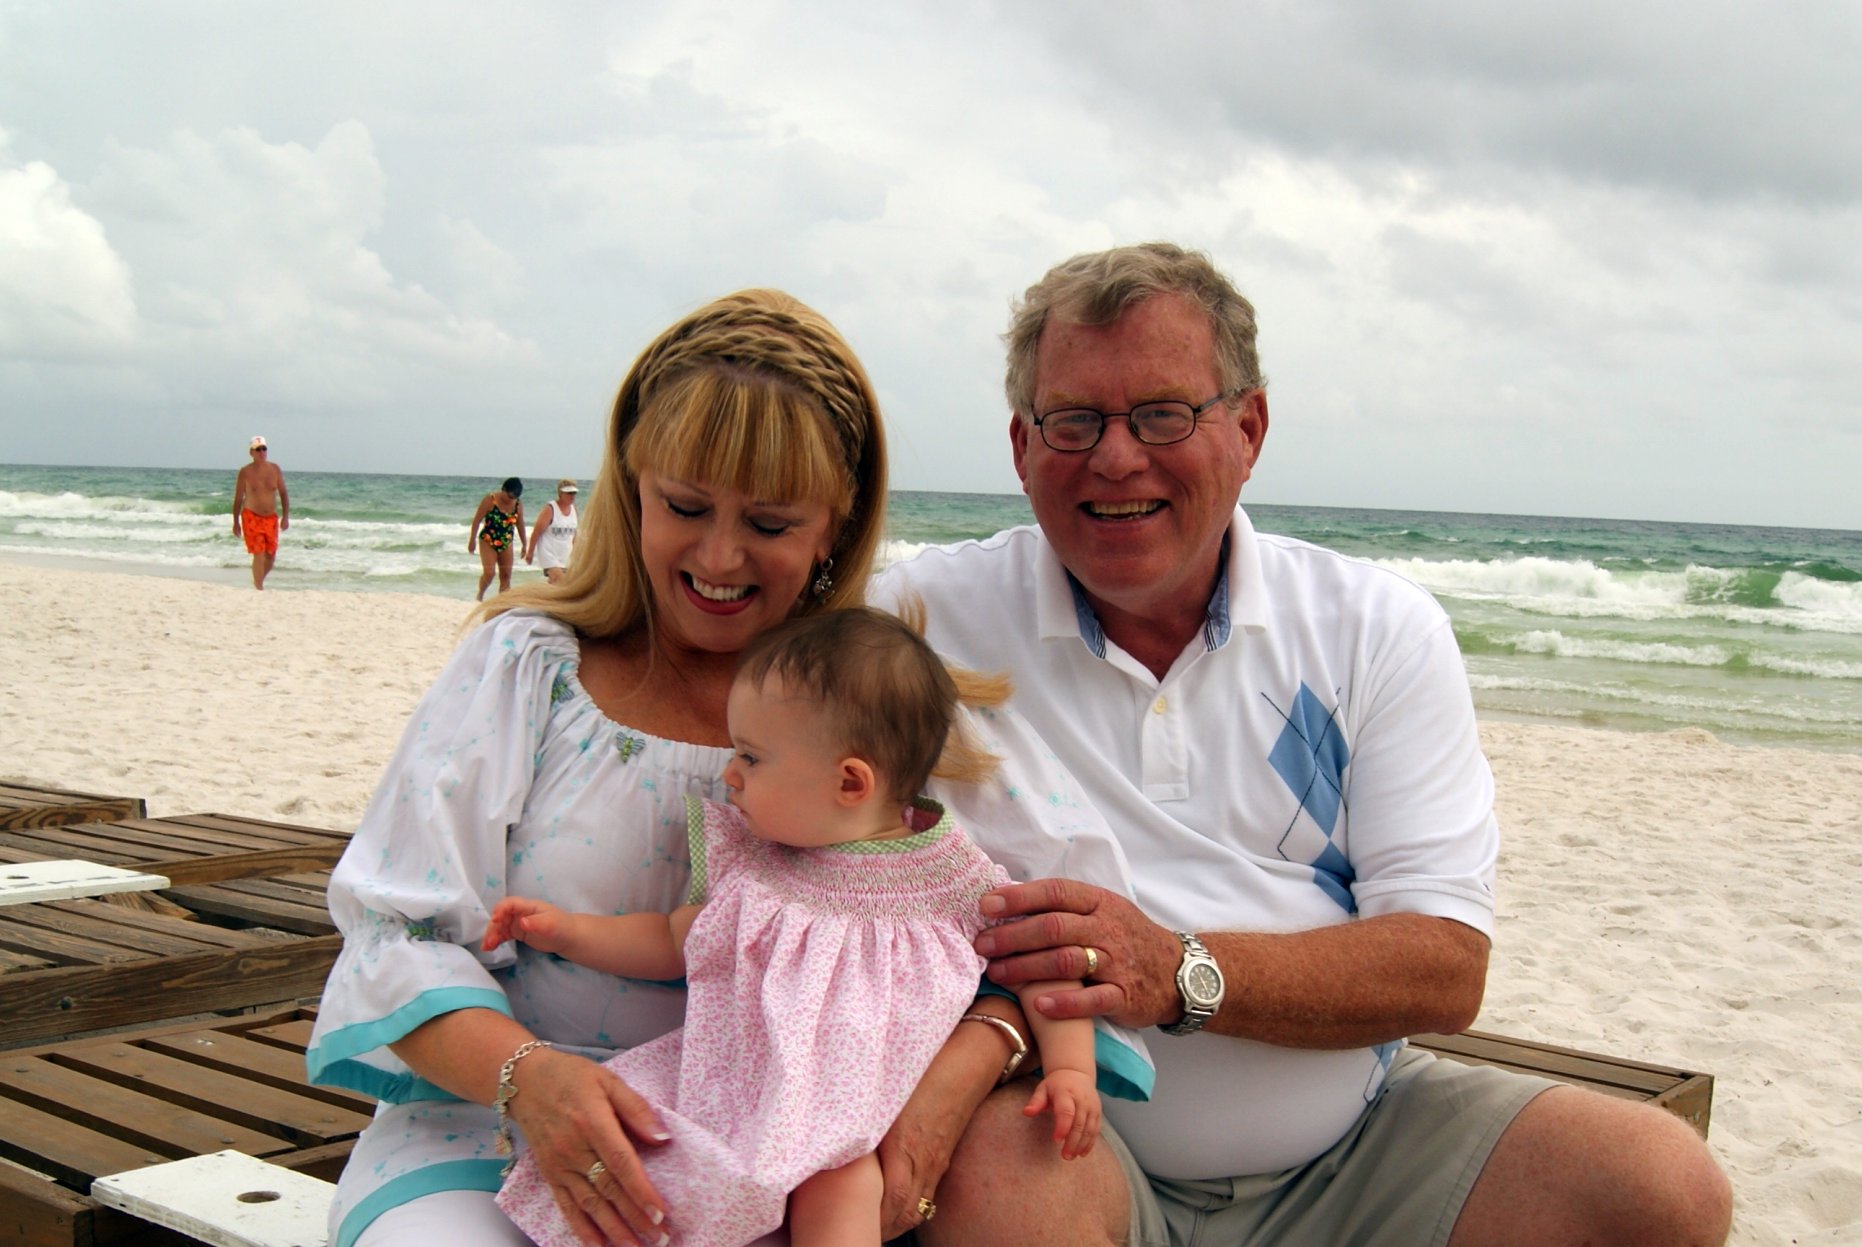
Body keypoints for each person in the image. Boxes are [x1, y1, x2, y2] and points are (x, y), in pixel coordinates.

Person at [870, 242, 1733, 1247]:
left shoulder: (1373, 626)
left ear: (1248, 427)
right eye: (1073, 420)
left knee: (1660, 1183)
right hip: (1076, 1149)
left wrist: (1180, 969)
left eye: (1161, 412)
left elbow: (1443, 966)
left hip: (1356, 1154)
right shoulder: (918, 619)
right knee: (1004, 1179)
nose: (1114, 455)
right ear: (1020, 446)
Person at [306, 288, 1148, 1247]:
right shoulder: (528, 667)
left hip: (800, 1163)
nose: (719, 554)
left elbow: (1052, 936)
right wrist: (530, 1075)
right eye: (686, 505)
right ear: (632, 487)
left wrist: (957, 1075)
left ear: (835, 524)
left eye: (772, 523)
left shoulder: (879, 705)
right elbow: (392, 933)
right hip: (491, 1131)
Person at [488, 607, 1107, 1247]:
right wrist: (564, 931)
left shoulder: (952, 878)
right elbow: (675, 942)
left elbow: (1044, 964)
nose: (729, 773)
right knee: (649, 1156)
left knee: (839, 1186)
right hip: (730, 1089)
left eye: (751, 757)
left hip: (849, 1119)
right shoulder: (758, 865)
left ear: (849, 781)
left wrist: (1070, 1072)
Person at [231, 435, 289, 590]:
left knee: (270, 557)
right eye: (258, 449)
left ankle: (258, 581)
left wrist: (285, 517)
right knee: (259, 552)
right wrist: (236, 522)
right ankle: (259, 588)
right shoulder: (245, 472)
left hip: (270, 518)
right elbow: (238, 499)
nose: (262, 452)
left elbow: (283, 493)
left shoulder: (275, 469)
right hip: (251, 515)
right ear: (252, 453)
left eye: (264, 448)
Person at [470, 477, 528, 599]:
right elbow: (477, 520)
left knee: (506, 576)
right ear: (503, 490)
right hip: (488, 540)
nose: (510, 500)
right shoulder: (490, 500)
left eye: (514, 498)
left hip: (506, 542)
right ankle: (480, 595)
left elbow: (520, 523)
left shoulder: (518, 504)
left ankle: (502, 603)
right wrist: (472, 540)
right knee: (490, 573)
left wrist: (524, 544)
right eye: (509, 496)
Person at [527, 478, 581, 584]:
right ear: (560, 493)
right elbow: (537, 531)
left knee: (558, 586)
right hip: (549, 554)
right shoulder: (550, 509)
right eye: (569, 493)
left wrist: (576, 554)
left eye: (574, 493)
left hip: (565, 556)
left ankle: (541, 599)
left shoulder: (574, 510)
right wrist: (530, 552)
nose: (572, 496)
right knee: (560, 581)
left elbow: (574, 535)